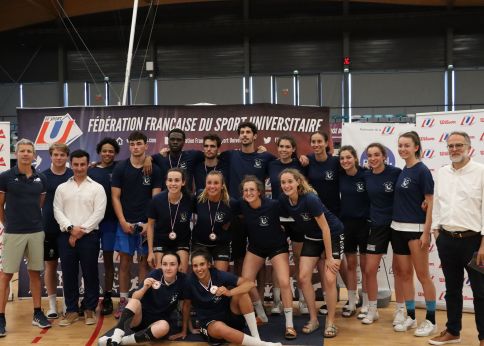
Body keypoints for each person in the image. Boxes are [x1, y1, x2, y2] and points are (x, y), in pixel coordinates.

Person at [429, 131, 484, 346]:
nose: (454, 149)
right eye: (450, 146)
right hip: (447, 239)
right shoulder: (442, 173)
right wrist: (436, 231)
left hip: (474, 242)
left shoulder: (480, 172)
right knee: (452, 289)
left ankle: (482, 337)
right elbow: (438, 205)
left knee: (481, 292)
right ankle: (453, 331)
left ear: (469, 147)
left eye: (458, 145)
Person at [279, 168, 344, 338]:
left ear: (298, 182)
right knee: (303, 278)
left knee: (329, 279)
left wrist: (329, 257)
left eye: (290, 181)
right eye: (283, 182)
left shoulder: (310, 199)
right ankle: (314, 319)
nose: (286, 185)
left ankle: (330, 322)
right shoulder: (285, 201)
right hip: (312, 238)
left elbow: (325, 228)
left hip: (333, 234)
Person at [174, 248, 282, 346]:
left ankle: (256, 338)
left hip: (230, 318)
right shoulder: (189, 281)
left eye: (202, 264)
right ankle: (262, 345)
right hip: (211, 324)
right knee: (219, 327)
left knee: (241, 294)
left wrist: (230, 292)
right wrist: (186, 330)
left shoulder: (218, 275)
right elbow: (186, 306)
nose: (199, 269)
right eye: (195, 266)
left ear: (209, 264)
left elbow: (249, 284)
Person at [0, 139, 51, 337]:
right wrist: (8, 224)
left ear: (34, 154)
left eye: (29, 151)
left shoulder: (41, 178)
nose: (25, 154)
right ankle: (1, 317)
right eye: (22, 150)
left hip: (36, 232)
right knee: (6, 275)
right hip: (13, 232)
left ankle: (37, 313)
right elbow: (0, 206)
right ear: (16, 153)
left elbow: (40, 203)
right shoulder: (5, 177)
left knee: (35, 273)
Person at [237, 176, 296, 340]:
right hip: (256, 247)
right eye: (245, 190)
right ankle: (262, 315)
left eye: (252, 190)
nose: (248, 193)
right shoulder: (242, 205)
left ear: (260, 192)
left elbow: (292, 215)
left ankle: (289, 325)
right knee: (246, 282)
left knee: (284, 282)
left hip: (277, 247)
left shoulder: (274, 205)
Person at [112, 131, 162, 319]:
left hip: (146, 224)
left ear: (145, 145)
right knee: (124, 263)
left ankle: (140, 301)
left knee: (144, 264)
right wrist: (122, 221)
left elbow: (155, 199)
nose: (136, 147)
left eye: (139, 144)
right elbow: (115, 197)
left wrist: (149, 225)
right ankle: (124, 302)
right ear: (129, 146)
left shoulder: (154, 169)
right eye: (132, 144)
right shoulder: (120, 168)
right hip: (125, 223)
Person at [391, 131, 437, 336]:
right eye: (400, 145)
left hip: (416, 231)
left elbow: (431, 203)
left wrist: (426, 234)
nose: (402, 149)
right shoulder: (404, 170)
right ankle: (410, 316)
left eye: (406, 145)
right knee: (404, 275)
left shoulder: (422, 171)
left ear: (416, 147)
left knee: (423, 275)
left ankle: (431, 320)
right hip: (397, 229)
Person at [53, 149, 107, 326]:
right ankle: (71, 310)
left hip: (89, 236)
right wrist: (70, 229)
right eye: (75, 164)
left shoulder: (97, 188)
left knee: (90, 273)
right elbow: (57, 211)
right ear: (71, 164)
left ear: (87, 164)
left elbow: (99, 213)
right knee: (69, 274)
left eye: (82, 164)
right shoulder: (62, 188)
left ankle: (89, 308)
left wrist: (80, 231)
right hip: (66, 236)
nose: (79, 168)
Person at [98, 252, 187, 346]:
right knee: (135, 302)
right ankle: (116, 338)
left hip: (156, 324)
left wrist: (184, 330)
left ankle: (118, 341)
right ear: (161, 265)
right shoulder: (155, 274)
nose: (168, 268)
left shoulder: (183, 280)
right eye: (165, 264)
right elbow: (135, 297)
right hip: (139, 319)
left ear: (179, 265)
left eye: (172, 264)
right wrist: (145, 287)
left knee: (165, 327)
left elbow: (186, 305)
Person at [222, 122, 276, 274]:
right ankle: (240, 295)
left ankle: (258, 297)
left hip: (258, 214)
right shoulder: (230, 155)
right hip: (237, 214)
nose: (244, 134)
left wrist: (303, 158)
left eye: (248, 132)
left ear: (255, 136)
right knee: (238, 257)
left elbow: (285, 162)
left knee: (259, 258)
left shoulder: (265, 157)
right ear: (239, 136)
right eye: (242, 132)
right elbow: (208, 156)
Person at [362, 143, 403, 325]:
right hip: (376, 226)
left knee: (399, 270)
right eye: (370, 155)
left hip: (396, 225)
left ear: (384, 156)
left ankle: (401, 310)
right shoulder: (366, 175)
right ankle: (372, 310)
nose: (373, 158)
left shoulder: (396, 173)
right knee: (370, 270)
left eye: (376, 154)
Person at [267, 135, 308, 315]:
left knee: (300, 260)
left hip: (299, 218)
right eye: (280, 146)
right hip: (279, 218)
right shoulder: (271, 164)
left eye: (287, 147)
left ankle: (304, 301)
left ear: (293, 149)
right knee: (279, 260)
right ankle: (278, 303)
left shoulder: (302, 164)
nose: (283, 149)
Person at [306, 131, 344, 315]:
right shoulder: (308, 162)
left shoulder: (336, 162)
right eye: (313, 141)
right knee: (322, 262)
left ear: (327, 143)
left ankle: (342, 300)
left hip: (334, 218)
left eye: (319, 141)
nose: (316, 144)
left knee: (333, 264)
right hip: (314, 218)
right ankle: (329, 300)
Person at [88, 137, 120, 316]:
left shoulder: (120, 168)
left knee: (108, 261)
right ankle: (91, 298)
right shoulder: (90, 170)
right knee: (89, 261)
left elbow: (146, 159)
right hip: (91, 223)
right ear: (99, 152)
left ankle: (107, 297)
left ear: (115, 153)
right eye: (104, 151)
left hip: (110, 222)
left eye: (111, 151)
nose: (107, 154)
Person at [41, 142, 72, 319]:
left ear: (67, 156)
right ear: (50, 156)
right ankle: (52, 305)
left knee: (69, 268)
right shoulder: (42, 176)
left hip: (68, 228)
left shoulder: (73, 175)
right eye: (55, 155)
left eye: (62, 155)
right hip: (49, 228)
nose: (59, 158)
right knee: (50, 266)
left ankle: (69, 303)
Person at [338, 145, 370, 318]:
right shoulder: (340, 176)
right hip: (347, 225)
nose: (345, 161)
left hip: (364, 225)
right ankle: (351, 301)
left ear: (355, 158)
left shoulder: (366, 175)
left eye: (348, 157)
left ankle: (365, 303)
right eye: (342, 158)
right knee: (350, 265)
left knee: (365, 267)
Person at [146, 168, 193, 272]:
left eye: (177, 180)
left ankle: (181, 289)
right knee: (160, 271)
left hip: (181, 241)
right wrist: (150, 252)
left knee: (182, 272)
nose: (173, 183)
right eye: (170, 180)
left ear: (183, 182)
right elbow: (150, 225)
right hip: (161, 241)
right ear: (166, 182)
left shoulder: (190, 199)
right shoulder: (156, 200)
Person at [192, 170, 233, 272]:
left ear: (222, 185)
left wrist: (229, 223)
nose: (212, 186)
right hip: (200, 244)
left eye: (216, 183)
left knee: (220, 278)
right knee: (201, 276)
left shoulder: (231, 203)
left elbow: (241, 215)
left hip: (221, 244)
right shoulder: (199, 198)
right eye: (209, 183)